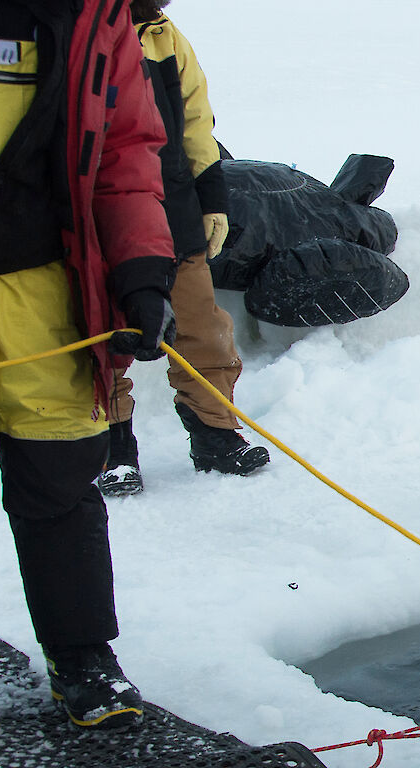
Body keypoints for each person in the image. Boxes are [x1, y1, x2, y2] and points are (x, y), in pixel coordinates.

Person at [0, 0, 179, 746]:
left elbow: (127, 153)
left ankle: (83, 656)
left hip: (49, 286)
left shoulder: (101, 17)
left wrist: (143, 273)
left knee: (60, 484)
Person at [97, 0, 270, 498]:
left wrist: (210, 198)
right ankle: (112, 445)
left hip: (172, 202)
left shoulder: (164, 35)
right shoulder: (79, 27)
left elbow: (196, 121)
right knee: (101, 330)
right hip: (98, 209)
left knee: (204, 328)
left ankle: (214, 434)